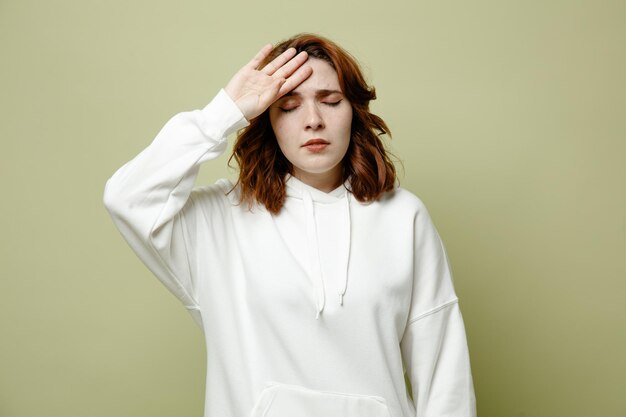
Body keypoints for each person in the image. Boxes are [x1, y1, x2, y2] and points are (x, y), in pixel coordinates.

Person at [103, 33, 476, 417]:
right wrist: (224, 112)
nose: (313, 121)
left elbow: (444, 373)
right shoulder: (219, 220)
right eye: (289, 107)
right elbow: (127, 197)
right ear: (266, 120)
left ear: (354, 112)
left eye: (330, 102)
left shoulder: (404, 217)